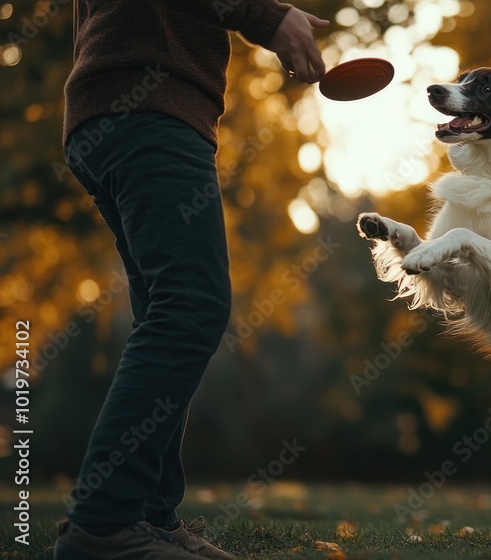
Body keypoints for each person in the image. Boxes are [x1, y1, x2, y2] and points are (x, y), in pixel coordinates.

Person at [55, 1, 328, 558]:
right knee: (191, 306)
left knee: (165, 311)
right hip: (148, 107)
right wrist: (266, 17)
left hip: (112, 107)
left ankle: (149, 516)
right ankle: (104, 524)